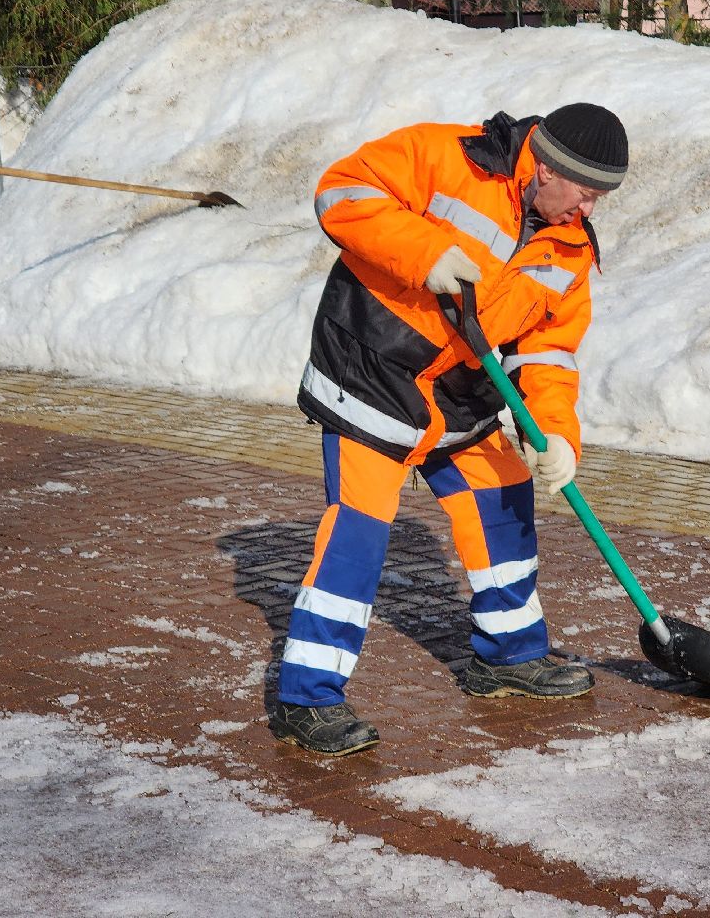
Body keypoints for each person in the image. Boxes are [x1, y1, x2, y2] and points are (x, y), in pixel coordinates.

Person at [270, 103, 630, 756]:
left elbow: (548, 352)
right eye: (584, 192)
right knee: (358, 533)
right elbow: (341, 191)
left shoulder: (570, 245)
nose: (589, 210)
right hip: (373, 371)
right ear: (546, 168)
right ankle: (309, 697)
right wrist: (426, 253)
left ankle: (509, 659)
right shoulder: (452, 158)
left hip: (461, 394)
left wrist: (555, 436)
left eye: (601, 198)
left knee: (504, 498)